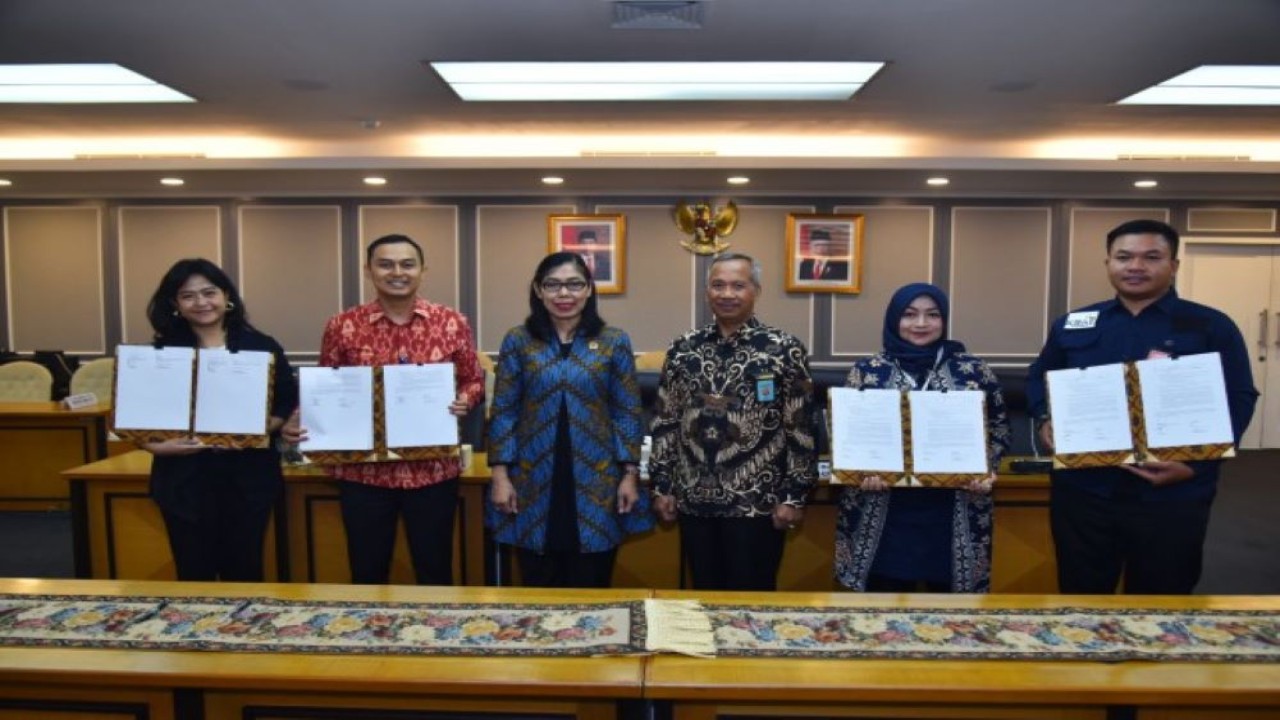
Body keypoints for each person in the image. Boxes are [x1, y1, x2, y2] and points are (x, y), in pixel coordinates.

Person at [1026, 219, 1258, 595]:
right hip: (1085, 490)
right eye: (1124, 257)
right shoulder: (1074, 324)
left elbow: (1240, 397)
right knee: (1081, 591)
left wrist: (1197, 464)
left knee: (1163, 596)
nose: (1135, 266)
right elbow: (1039, 376)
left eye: (1151, 257)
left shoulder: (1210, 326)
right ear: (1108, 264)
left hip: (1173, 492)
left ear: (1174, 265)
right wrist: (1044, 418)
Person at [285, 234, 484, 585]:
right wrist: (304, 418)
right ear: (369, 270)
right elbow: (327, 389)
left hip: (433, 470)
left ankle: (434, 636)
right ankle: (370, 637)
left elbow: (474, 380)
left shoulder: (451, 322)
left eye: (407, 264)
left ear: (423, 270)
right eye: (385, 263)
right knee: (366, 569)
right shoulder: (342, 325)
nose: (397, 272)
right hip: (364, 473)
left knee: (435, 568)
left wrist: (465, 400)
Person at [649, 252, 817, 590]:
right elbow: (666, 420)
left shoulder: (784, 349)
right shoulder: (684, 349)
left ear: (755, 289)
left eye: (738, 285)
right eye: (718, 285)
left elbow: (800, 428)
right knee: (704, 601)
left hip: (757, 504)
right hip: (695, 501)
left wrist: (794, 495)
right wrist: (661, 485)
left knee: (752, 604)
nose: (727, 294)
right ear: (707, 292)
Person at [486, 252, 652, 587]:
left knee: (592, 579)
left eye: (574, 284)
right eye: (553, 285)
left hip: (597, 483)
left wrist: (630, 474)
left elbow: (628, 411)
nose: (564, 294)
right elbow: (504, 409)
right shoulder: (519, 340)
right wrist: (500, 475)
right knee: (538, 582)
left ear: (589, 289)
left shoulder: (612, 341)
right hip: (532, 481)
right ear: (538, 289)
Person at [834, 282, 1012, 593]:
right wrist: (861, 471)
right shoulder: (867, 371)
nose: (921, 324)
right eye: (910, 314)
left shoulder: (973, 371)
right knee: (878, 609)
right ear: (893, 319)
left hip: (955, 507)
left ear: (944, 321)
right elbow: (846, 432)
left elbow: (999, 428)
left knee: (951, 614)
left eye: (932, 315)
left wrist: (985, 469)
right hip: (883, 508)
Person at [141, 258, 297, 582]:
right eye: (188, 296)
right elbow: (141, 415)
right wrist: (155, 447)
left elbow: (285, 399)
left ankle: (242, 631)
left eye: (209, 292)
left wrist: (259, 428)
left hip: (248, 478)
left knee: (246, 569)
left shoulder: (261, 347)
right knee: (193, 570)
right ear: (175, 304)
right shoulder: (160, 354)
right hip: (184, 479)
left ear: (226, 295)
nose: (201, 303)